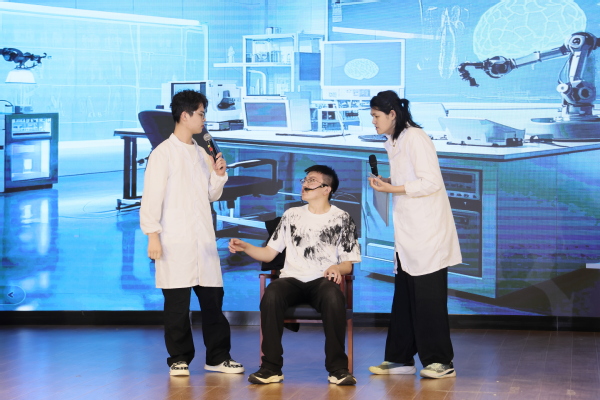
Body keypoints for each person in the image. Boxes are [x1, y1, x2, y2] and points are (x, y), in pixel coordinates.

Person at [140, 90, 244, 376]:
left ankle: (218, 357)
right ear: (184, 116)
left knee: (213, 302)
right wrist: (152, 235)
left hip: (203, 240)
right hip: (174, 240)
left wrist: (219, 175)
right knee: (177, 305)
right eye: (200, 114)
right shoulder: (163, 154)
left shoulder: (201, 153)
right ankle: (179, 358)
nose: (204, 120)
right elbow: (151, 199)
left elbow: (210, 195)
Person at [229, 165, 361, 386]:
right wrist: (246, 247)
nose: (304, 184)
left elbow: (347, 264)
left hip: (322, 280)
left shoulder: (342, 218)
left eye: (311, 181)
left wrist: (337, 268)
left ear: (326, 189)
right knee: (272, 293)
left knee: (333, 296)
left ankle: (338, 369)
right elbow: (269, 254)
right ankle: (270, 368)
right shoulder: (291, 215)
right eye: (304, 180)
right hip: (291, 279)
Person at [367, 90, 462, 379]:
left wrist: (392, 188)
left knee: (428, 299)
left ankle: (441, 362)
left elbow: (431, 182)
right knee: (405, 299)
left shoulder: (416, 138)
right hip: (408, 232)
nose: (373, 121)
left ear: (392, 114)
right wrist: (389, 181)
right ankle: (400, 359)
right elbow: (410, 178)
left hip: (427, 232)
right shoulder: (394, 140)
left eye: (376, 116)